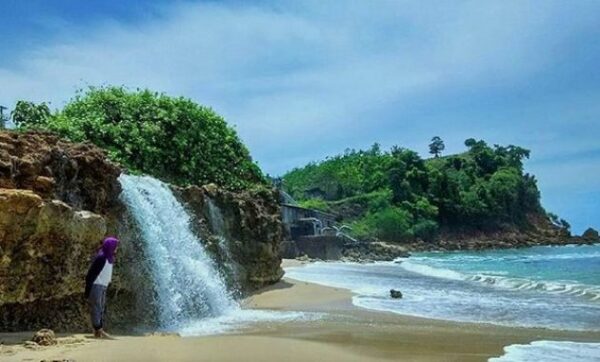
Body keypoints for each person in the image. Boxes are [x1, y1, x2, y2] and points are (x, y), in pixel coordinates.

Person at [85, 236, 119, 338]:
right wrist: (88, 289)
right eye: (115, 246)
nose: (116, 248)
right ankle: (99, 329)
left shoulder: (109, 258)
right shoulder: (101, 257)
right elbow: (91, 274)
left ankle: (97, 331)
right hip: (96, 285)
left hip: (103, 286)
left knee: (101, 308)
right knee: (96, 307)